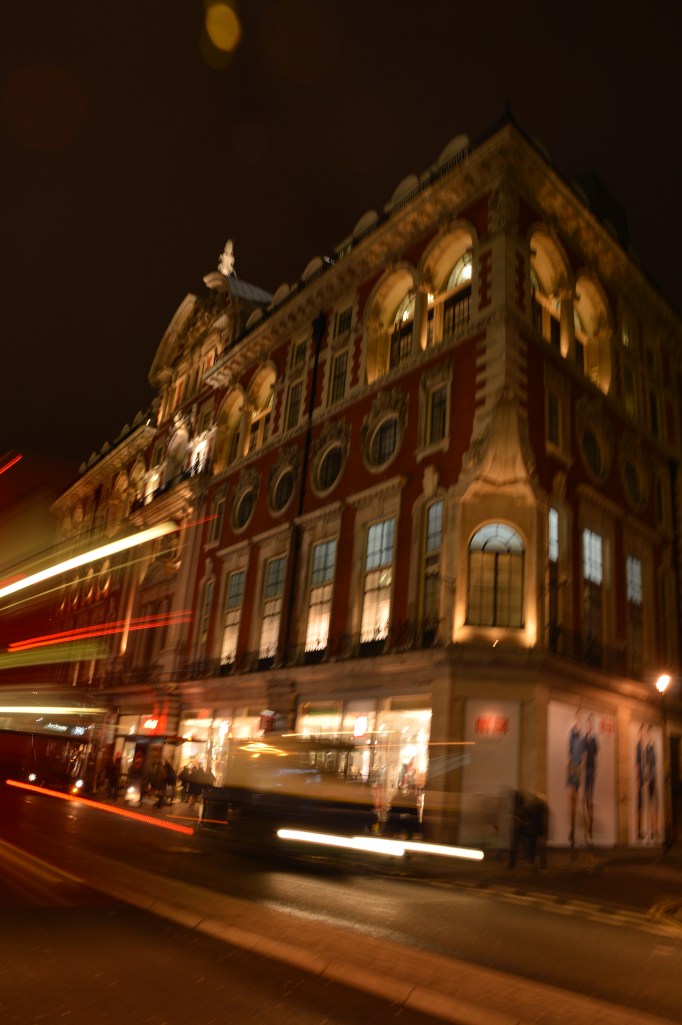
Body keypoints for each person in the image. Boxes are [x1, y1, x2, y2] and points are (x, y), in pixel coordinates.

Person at [566, 708, 584, 853]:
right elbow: (569, 752)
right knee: (571, 798)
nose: (579, 720)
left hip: (578, 768)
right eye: (578, 717)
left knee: (575, 800)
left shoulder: (582, 737)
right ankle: (571, 830)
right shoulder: (572, 732)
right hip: (573, 767)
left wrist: (580, 770)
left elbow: (583, 756)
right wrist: (571, 769)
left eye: (580, 717)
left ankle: (573, 831)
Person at [582, 713, 598, 842]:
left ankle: (590, 826)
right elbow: (582, 756)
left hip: (591, 771)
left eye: (591, 723)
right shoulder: (584, 739)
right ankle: (586, 829)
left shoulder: (593, 739)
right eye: (588, 723)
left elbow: (596, 756)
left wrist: (594, 770)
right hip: (585, 771)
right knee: (585, 799)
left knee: (590, 798)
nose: (589, 725)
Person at [645, 724, 659, 841]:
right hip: (649, 780)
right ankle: (651, 829)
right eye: (648, 733)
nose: (649, 735)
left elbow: (655, 765)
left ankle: (654, 829)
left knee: (655, 805)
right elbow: (646, 766)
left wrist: (655, 777)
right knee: (651, 805)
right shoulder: (646, 749)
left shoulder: (652, 748)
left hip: (653, 779)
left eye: (650, 733)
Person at [635, 723, 646, 841]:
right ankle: (638, 831)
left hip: (643, 780)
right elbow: (637, 764)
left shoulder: (642, 748)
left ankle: (640, 829)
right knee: (639, 806)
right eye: (641, 733)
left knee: (641, 806)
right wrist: (637, 779)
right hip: (640, 780)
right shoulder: (638, 746)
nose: (642, 735)